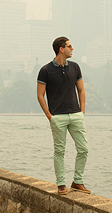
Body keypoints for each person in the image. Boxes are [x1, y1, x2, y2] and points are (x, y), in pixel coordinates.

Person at [37, 37, 90, 195]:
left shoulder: (75, 67)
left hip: (75, 115)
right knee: (59, 152)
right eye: (69, 46)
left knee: (83, 149)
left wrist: (82, 111)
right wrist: (49, 115)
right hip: (57, 117)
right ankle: (61, 184)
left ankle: (77, 181)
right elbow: (40, 95)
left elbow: (81, 90)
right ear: (61, 49)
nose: (72, 49)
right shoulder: (45, 70)